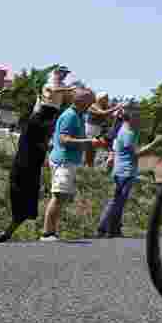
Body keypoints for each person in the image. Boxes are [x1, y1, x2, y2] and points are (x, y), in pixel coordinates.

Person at [0, 76, 65, 243]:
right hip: (26, 164)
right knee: (22, 194)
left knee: (24, 195)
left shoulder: (43, 120)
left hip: (30, 164)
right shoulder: (39, 119)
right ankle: (13, 226)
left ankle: (13, 227)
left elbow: (44, 141)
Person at [40, 86, 101, 241]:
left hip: (68, 160)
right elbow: (63, 140)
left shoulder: (79, 115)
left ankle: (52, 231)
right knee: (58, 195)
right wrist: (88, 141)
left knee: (61, 196)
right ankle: (47, 233)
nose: (92, 103)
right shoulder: (70, 116)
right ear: (81, 100)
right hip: (63, 160)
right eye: (90, 100)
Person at [96, 100, 161, 238]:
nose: (139, 117)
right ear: (130, 117)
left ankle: (113, 229)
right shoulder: (127, 133)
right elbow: (136, 153)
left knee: (118, 201)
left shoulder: (127, 130)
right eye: (136, 114)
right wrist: (154, 143)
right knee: (117, 201)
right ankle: (104, 228)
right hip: (124, 172)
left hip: (123, 170)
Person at [84, 92, 121, 168]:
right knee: (89, 149)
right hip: (90, 129)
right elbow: (103, 113)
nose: (107, 99)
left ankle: (90, 166)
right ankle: (87, 165)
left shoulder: (105, 106)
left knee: (93, 149)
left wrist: (117, 113)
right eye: (106, 98)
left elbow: (110, 115)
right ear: (100, 99)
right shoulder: (93, 106)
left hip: (97, 130)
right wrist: (116, 108)